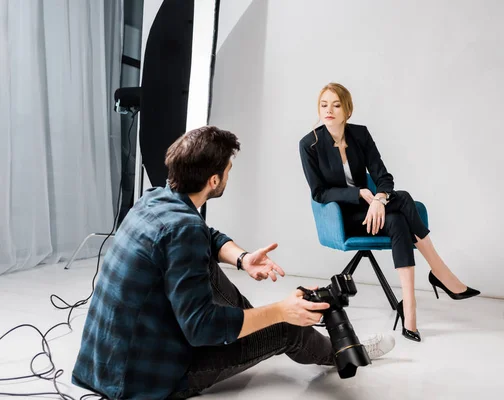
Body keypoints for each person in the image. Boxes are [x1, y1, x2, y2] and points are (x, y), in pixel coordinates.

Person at [72, 126, 395, 400]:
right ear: (214, 180)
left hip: (103, 363)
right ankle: (339, 353)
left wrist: (242, 259)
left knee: (213, 269)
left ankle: (248, 328)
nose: (229, 175)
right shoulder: (184, 229)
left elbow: (208, 237)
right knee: (286, 329)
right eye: (227, 170)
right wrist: (280, 312)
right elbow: (202, 329)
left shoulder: (154, 198)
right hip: (143, 381)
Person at [299, 83, 480, 343]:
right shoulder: (310, 144)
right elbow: (319, 192)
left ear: (347, 110)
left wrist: (379, 200)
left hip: (373, 211)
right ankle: (441, 275)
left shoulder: (360, 135)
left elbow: (383, 177)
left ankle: (410, 314)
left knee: (397, 219)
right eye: (324, 105)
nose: (328, 110)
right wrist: (358, 194)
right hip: (343, 218)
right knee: (404, 199)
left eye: (336, 105)